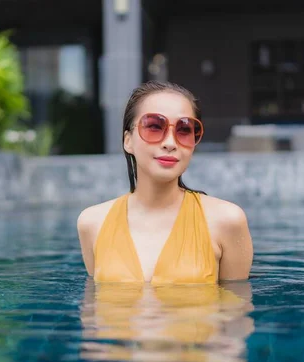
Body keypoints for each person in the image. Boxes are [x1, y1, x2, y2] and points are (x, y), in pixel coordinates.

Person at [77, 81, 253, 284]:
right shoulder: (92, 223)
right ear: (128, 141)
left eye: (184, 130)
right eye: (153, 126)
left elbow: (235, 311)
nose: (170, 143)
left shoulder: (227, 221)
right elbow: (93, 307)